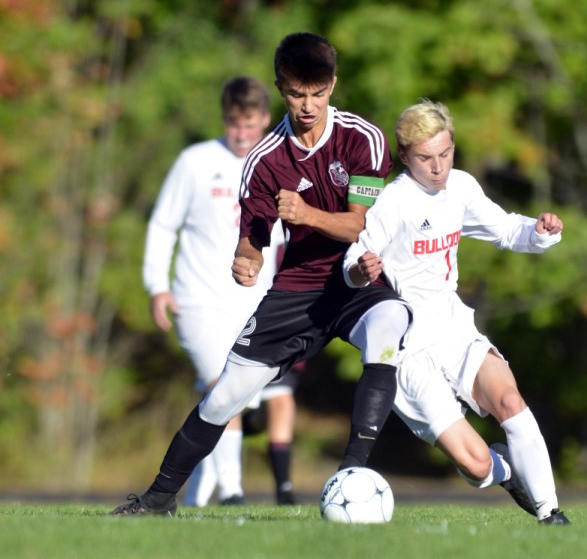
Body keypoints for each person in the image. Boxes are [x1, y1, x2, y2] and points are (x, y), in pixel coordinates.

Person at [112, 32, 411, 516]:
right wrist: (246, 260)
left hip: (359, 275)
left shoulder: (364, 139)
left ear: (333, 85)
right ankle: (157, 499)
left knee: (389, 327)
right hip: (297, 287)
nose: (308, 104)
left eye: (317, 92)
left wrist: (307, 213)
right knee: (224, 395)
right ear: (280, 88)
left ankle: (351, 473)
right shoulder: (264, 159)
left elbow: (360, 223)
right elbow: (253, 234)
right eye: (296, 93)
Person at [343, 99, 570, 525]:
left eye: (445, 154)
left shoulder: (462, 188)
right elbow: (356, 260)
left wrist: (538, 233)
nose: (438, 167)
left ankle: (550, 515)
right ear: (406, 156)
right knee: (477, 466)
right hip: (408, 350)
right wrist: (360, 269)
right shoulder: (393, 201)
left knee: (509, 399)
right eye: (426, 158)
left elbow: (505, 229)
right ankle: (503, 469)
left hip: (453, 328)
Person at [141, 76, 299, 506]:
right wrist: (157, 285)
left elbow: (291, 236)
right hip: (198, 299)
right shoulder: (194, 162)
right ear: (224, 119)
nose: (242, 134)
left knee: (238, 397)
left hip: (254, 301)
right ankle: (232, 492)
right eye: (234, 124)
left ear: (265, 119)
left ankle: (196, 495)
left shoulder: (280, 164)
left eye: (250, 125)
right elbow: (162, 224)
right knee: (220, 387)